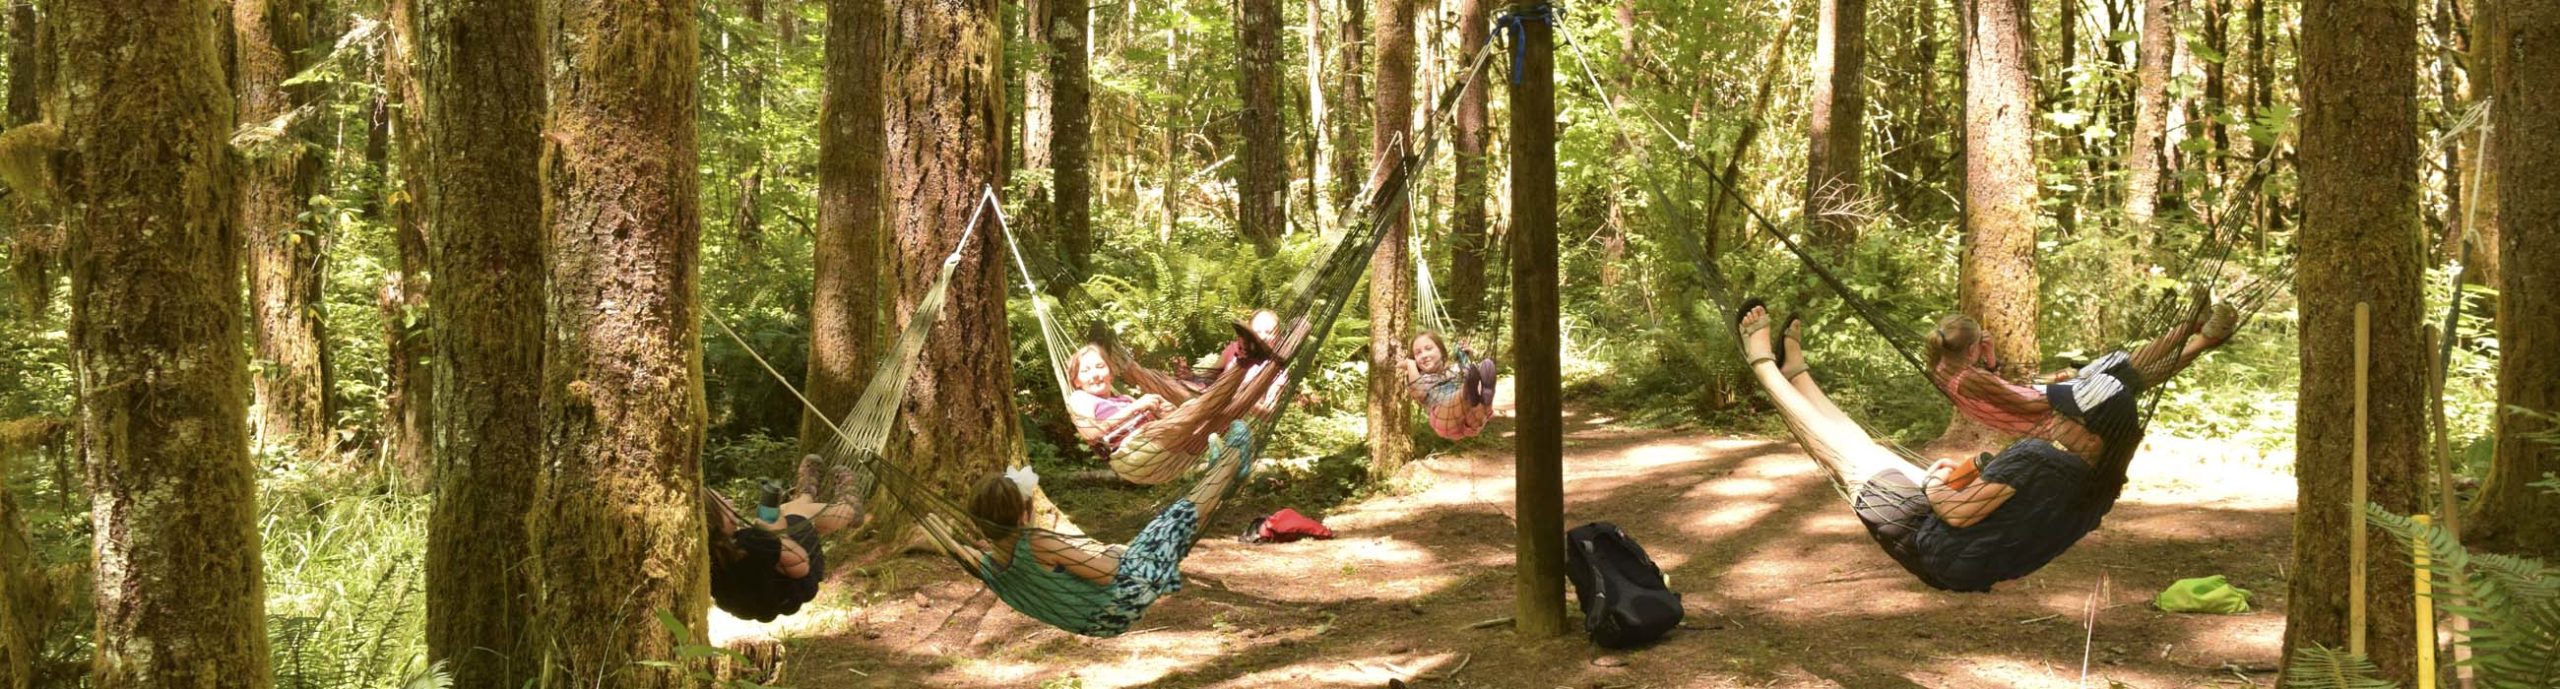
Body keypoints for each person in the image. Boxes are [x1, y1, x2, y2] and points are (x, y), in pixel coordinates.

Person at [1730, 295, 2233, 592]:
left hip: (1934, 545)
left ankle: (1763, 366)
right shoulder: (2101, 482)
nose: (2057, 414)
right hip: (1965, 555)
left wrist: (1935, 479)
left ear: (2087, 429)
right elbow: (2001, 510)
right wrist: (1970, 472)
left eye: (2067, 412)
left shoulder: (2039, 458)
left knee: (1842, 452)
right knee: (1865, 446)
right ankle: (1798, 373)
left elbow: (1956, 512)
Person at [924, 423, 1257, 638]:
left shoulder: (987, 566)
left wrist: (927, 521)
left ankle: (1224, 475)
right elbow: (1106, 574)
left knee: (1161, 534)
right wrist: (1114, 553)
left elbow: (954, 547)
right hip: (1120, 600)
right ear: (1025, 515)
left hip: (1095, 619)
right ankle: (1231, 463)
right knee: (1170, 523)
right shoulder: (1037, 543)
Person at [1067, 316, 1305, 485]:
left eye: (1100, 366)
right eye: (1086, 370)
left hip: (1168, 453)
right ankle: (1247, 358)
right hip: (1134, 455)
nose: (1096, 374)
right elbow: (1093, 434)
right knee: (1194, 404)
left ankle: (1273, 363)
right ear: (1076, 380)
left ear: (1111, 372)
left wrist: (1166, 410)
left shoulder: (1123, 398)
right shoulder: (1079, 398)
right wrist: (1139, 406)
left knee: (1223, 417)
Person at [705, 455, 865, 622]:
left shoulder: (707, 555)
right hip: (799, 585)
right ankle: (849, 508)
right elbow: (800, 567)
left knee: (784, 511)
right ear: (715, 521)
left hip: (757, 605)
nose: (729, 501)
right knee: (800, 515)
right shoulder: (754, 542)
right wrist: (773, 533)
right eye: (723, 502)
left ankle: (805, 494)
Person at [1399, 330, 1498, 439]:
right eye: (1418, 353)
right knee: (1462, 394)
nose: (1424, 355)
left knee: (1473, 388)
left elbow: (1472, 374)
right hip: (1445, 422)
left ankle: (1483, 399)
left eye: (1428, 349)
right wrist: (1410, 364)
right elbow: (1418, 391)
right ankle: (1473, 397)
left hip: (1469, 420)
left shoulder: (1454, 369)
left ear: (1441, 351)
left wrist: (1468, 357)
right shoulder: (1421, 378)